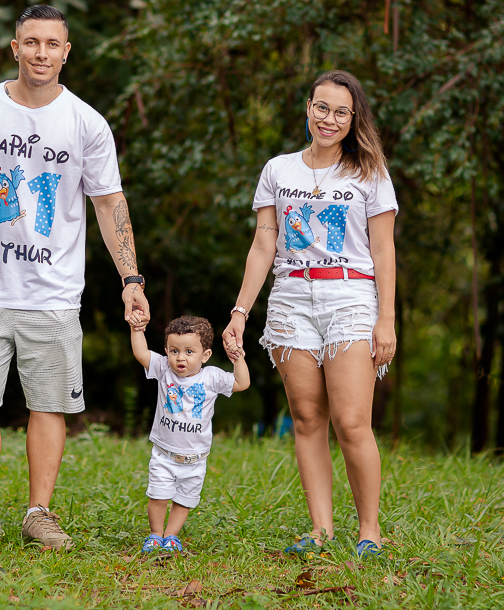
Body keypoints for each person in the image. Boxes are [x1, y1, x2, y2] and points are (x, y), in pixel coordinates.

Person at [0, 4, 150, 551]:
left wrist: (131, 279)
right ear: (15, 47)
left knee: (48, 402)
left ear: (66, 51)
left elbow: (109, 204)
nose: (41, 53)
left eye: (52, 44)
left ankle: (38, 514)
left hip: (53, 290)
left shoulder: (86, 122)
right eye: (31, 43)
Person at [222, 69, 397, 559]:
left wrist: (386, 319)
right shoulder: (278, 170)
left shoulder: (369, 174)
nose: (329, 119)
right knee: (305, 417)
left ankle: (369, 531)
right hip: (291, 301)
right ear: (307, 107)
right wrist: (241, 311)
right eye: (322, 107)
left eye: (342, 112)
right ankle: (320, 530)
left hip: (351, 300)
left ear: (353, 119)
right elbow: (263, 243)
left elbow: (383, 251)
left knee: (351, 420)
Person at [129, 314, 249, 554]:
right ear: (166, 351)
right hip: (164, 454)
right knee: (158, 496)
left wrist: (238, 358)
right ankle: (155, 534)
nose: (180, 358)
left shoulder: (212, 377)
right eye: (174, 350)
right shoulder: (164, 369)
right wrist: (136, 329)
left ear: (205, 355)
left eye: (189, 352)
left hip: (196, 458)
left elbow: (241, 383)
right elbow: (142, 354)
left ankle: (171, 535)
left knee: (184, 500)